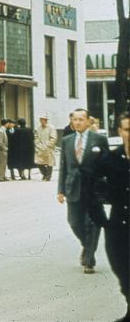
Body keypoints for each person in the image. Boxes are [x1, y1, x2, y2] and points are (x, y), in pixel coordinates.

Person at [86, 112, 129, 321]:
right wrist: (101, 220)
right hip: (119, 225)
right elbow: (90, 188)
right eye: (128, 129)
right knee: (122, 271)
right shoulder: (109, 160)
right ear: (120, 132)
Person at [57, 108, 110, 274]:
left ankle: (89, 260)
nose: (78, 122)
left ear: (88, 121)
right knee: (74, 223)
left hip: (94, 189)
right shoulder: (66, 140)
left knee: (93, 223)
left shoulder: (99, 140)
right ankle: (87, 247)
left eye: (81, 119)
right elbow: (63, 167)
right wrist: (60, 190)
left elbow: (107, 166)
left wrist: (109, 188)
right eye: (75, 119)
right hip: (73, 188)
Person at [34, 113, 57, 181]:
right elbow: (36, 137)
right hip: (40, 148)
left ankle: (48, 176)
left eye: (42, 119)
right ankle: (44, 173)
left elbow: (53, 138)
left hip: (49, 148)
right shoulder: (38, 128)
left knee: (50, 162)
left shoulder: (51, 128)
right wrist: (38, 145)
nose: (41, 121)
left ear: (46, 120)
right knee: (39, 163)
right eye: (40, 119)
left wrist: (48, 145)